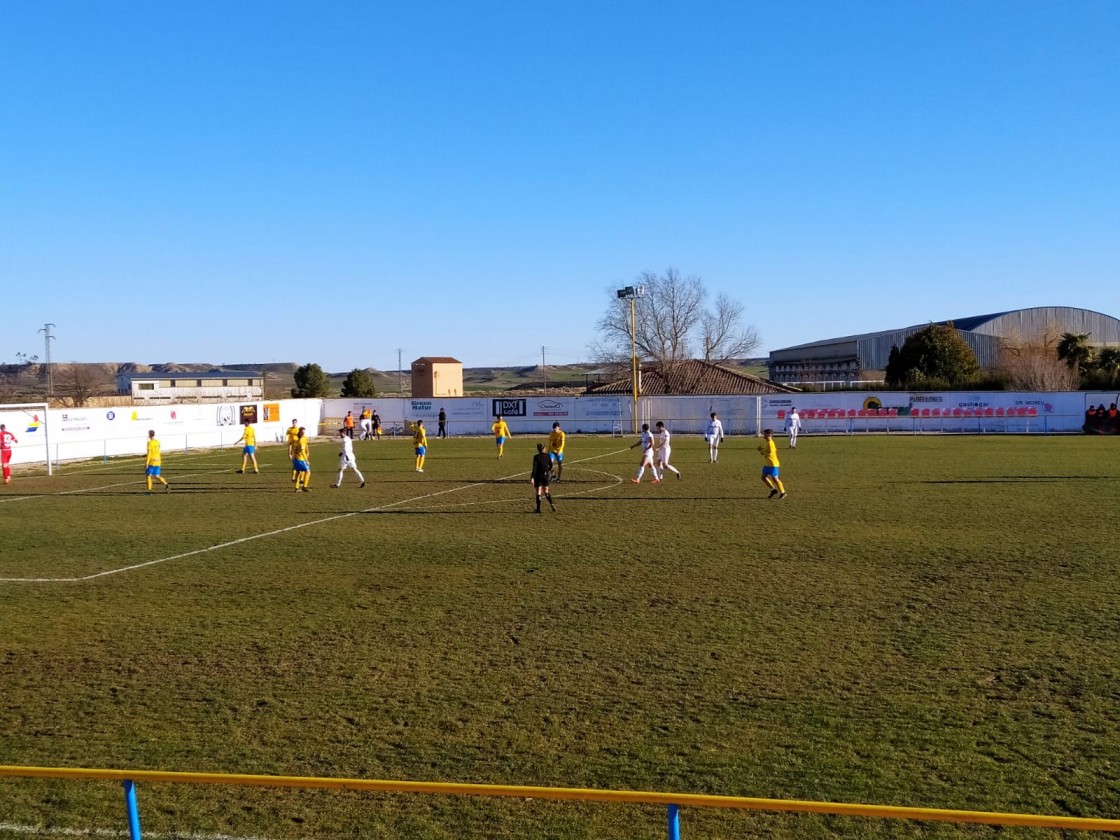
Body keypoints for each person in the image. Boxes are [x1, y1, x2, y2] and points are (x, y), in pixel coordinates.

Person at [758, 428, 787, 499]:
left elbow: (770, 454)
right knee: (763, 477)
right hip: (767, 464)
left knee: (775, 478)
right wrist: (762, 450)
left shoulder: (770, 443)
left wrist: (761, 451)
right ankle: (773, 490)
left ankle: (783, 492)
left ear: (768, 434)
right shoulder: (766, 442)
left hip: (773, 464)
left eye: (764, 434)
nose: (763, 435)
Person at [530, 443, 556, 513]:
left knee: (539, 492)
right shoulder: (548, 456)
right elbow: (551, 466)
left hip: (538, 476)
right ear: (544, 449)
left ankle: (538, 509)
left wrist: (532, 477)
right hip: (545, 475)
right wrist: (552, 473)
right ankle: (551, 504)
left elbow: (534, 468)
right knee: (546, 491)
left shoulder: (536, 457)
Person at [144, 429, 170, 494]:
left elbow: (149, 453)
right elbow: (157, 451)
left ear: (149, 435)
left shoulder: (149, 443)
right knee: (156, 476)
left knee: (148, 475)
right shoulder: (158, 442)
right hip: (158, 460)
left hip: (152, 461)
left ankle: (149, 491)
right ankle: (166, 484)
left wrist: (147, 463)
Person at [293, 427, 312, 491]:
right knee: (308, 472)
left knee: (298, 472)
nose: (304, 433)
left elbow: (294, 450)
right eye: (302, 432)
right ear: (300, 432)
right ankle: (304, 487)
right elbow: (303, 451)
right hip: (300, 459)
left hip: (295, 459)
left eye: (304, 432)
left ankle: (296, 487)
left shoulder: (297, 441)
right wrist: (306, 460)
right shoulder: (301, 441)